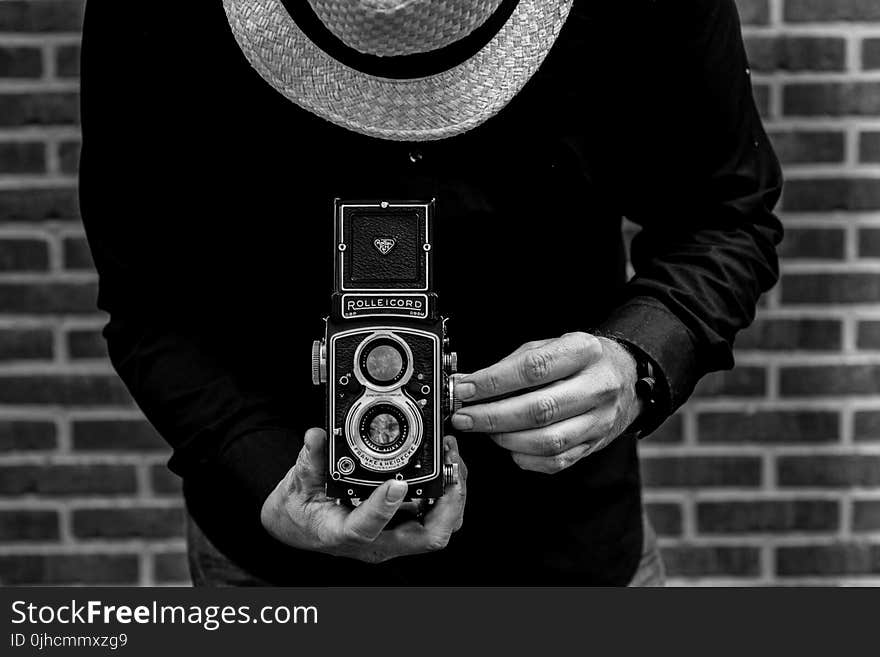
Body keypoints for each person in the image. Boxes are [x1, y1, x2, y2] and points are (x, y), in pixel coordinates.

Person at [78, 0, 783, 586]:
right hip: (270, 560)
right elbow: (151, 295)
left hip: (564, 553)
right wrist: (261, 471)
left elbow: (724, 212)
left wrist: (635, 360)